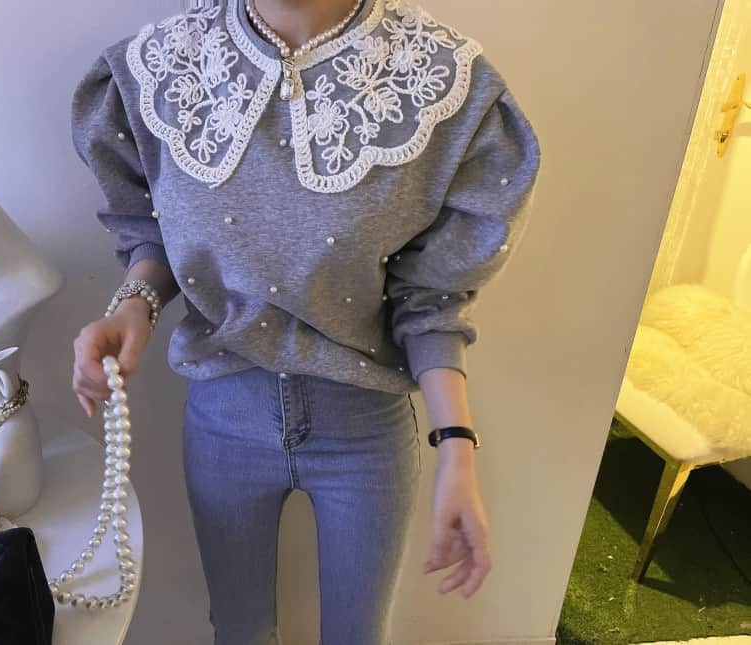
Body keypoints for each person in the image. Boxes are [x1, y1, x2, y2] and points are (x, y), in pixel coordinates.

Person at [70, 0, 541, 643]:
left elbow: (431, 299)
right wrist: (134, 305)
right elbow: (154, 228)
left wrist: (457, 447)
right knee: (238, 631)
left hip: (364, 425)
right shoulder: (160, 67)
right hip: (223, 416)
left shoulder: (441, 81)